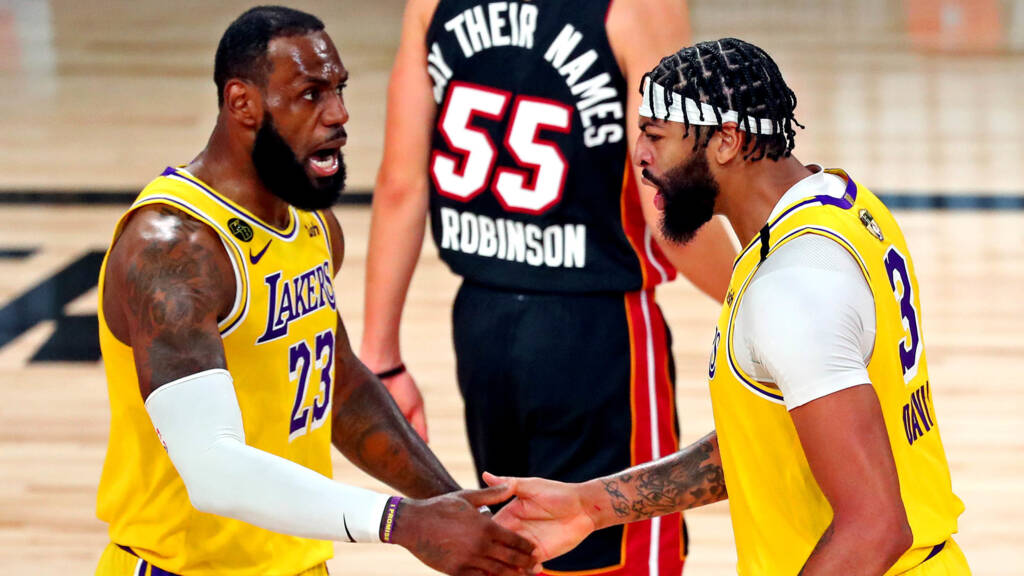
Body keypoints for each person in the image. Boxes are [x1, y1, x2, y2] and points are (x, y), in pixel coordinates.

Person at [487, 38, 969, 575]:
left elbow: (875, 527)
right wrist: (593, 505)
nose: (639, 156)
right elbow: (775, 434)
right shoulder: (838, 204)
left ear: (726, 140)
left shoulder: (793, 284)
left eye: (655, 135)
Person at [93, 7, 537, 576]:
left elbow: (340, 384)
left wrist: (461, 512)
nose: (340, 113)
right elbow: (211, 470)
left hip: (299, 566)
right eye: (311, 94)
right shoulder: (173, 250)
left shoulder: (310, 223)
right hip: (179, 567)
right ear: (242, 103)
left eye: (339, 88)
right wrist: (404, 522)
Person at [360, 0, 738, 573]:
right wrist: (757, 292)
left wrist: (382, 359)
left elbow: (399, 185)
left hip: (481, 325)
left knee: (518, 549)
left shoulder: (431, 5)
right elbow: (666, 200)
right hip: (596, 333)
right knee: (615, 557)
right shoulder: (638, 8)